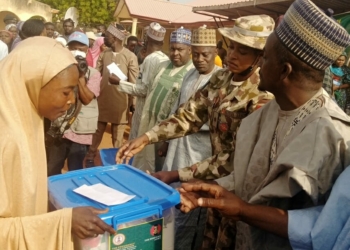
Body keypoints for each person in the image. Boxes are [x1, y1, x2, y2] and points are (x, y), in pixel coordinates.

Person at [178, 0, 350, 249]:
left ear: (284, 71)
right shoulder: (271, 111)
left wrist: (243, 210)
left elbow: (323, 228)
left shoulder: (332, 135)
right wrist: (211, 189)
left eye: (265, 58)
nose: (259, 66)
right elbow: (251, 177)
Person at [0, 37, 115, 249]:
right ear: (32, 83)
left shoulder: (27, 122)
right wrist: (62, 222)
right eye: (65, 91)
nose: (72, 99)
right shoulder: (5, 138)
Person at [160, 25, 221, 250]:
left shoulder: (219, 80)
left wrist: (189, 124)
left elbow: (209, 121)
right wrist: (166, 141)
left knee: (193, 207)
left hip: (200, 155)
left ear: (215, 52)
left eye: (205, 55)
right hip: (177, 150)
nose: (199, 60)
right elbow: (178, 112)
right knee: (173, 200)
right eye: (195, 54)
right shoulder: (189, 75)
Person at [130, 27, 194, 172]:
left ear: (189, 50)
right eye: (172, 49)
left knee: (163, 169)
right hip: (150, 124)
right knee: (145, 163)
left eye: (180, 49)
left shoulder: (192, 73)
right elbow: (148, 89)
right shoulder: (162, 65)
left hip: (170, 131)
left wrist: (167, 141)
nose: (175, 53)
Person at [84, 23, 139, 167]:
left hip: (120, 104)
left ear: (114, 38)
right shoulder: (104, 54)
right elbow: (96, 74)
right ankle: (90, 156)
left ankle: (115, 163)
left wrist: (134, 103)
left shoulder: (130, 57)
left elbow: (134, 84)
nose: (104, 38)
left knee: (118, 137)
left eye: (107, 36)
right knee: (97, 132)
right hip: (103, 100)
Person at [47, 32, 101, 176]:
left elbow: (87, 98)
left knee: (75, 172)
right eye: (73, 48)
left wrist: (80, 76)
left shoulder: (94, 74)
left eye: (81, 49)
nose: (76, 51)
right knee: (51, 169)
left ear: (87, 51)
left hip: (81, 133)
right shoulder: (58, 70)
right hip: (60, 129)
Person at [117, 22, 168, 140]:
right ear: (162, 43)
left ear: (146, 40)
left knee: (136, 145)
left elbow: (144, 90)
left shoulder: (150, 59)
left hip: (143, 111)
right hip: (155, 113)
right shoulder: (165, 59)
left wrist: (119, 83)